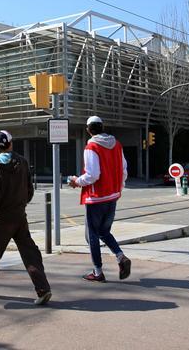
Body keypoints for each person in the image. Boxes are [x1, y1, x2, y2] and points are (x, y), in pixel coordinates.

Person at [0, 130, 52, 305]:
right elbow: (30, 190)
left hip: (2, 218)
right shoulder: (22, 162)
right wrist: (21, 204)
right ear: (11, 143)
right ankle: (43, 289)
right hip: (19, 216)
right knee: (30, 253)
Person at [68, 116, 131, 282]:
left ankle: (97, 272)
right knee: (104, 231)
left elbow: (92, 175)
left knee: (92, 235)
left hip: (96, 199)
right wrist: (119, 188)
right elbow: (124, 170)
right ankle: (120, 257)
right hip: (112, 196)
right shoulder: (117, 144)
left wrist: (76, 181)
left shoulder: (92, 146)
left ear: (88, 130)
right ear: (102, 127)